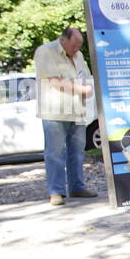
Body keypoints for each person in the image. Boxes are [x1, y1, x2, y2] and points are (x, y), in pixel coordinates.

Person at [33, 26, 96, 206]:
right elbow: (53, 81)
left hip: (77, 110)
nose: (76, 50)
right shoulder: (46, 52)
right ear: (63, 40)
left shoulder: (79, 56)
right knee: (55, 152)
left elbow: (86, 75)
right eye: (74, 45)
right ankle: (56, 191)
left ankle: (77, 186)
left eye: (79, 46)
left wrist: (89, 87)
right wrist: (82, 89)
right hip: (55, 111)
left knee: (77, 151)